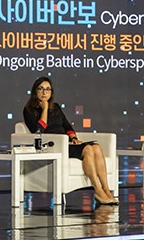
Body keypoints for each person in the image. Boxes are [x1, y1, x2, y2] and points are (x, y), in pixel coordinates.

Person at [23, 77, 117, 205]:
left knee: (96, 147)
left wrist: (74, 139)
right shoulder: (29, 110)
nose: (44, 92)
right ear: (35, 91)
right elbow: (39, 130)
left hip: (67, 143)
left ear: (51, 92)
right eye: (41, 89)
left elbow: (67, 127)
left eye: (48, 89)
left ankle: (106, 190)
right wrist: (44, 109)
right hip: (53, 146)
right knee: (88, 149)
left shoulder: (55, 108)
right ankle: (98, 190)